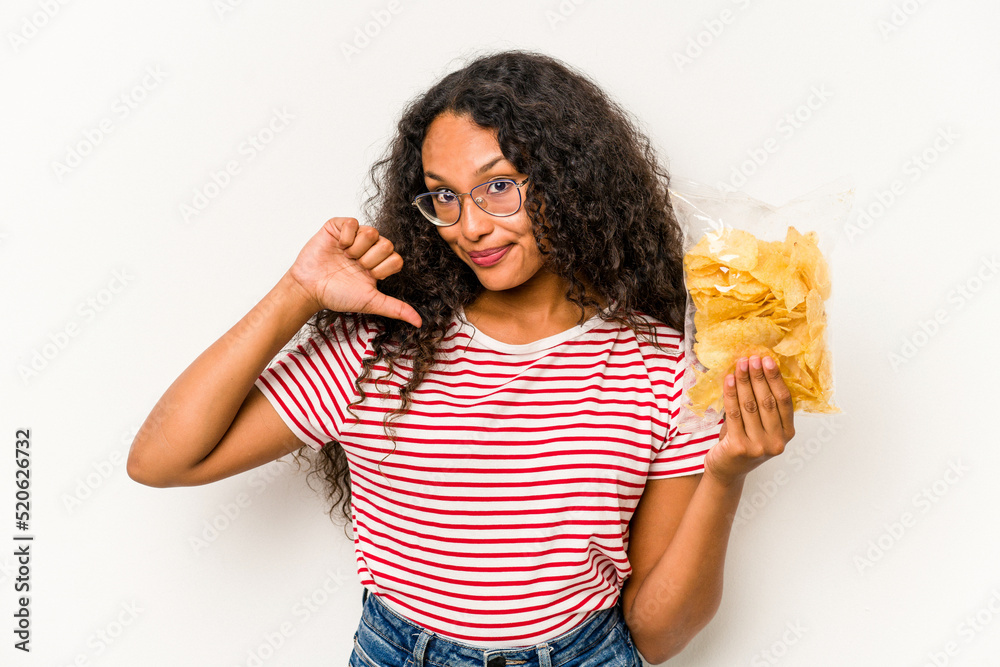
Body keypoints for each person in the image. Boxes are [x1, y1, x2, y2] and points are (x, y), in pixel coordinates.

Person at [127, 50, 795, 666]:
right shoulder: (384, 344)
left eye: (497, 186)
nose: (468, 225)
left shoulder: (656, 366)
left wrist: (727, 472)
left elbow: (654, 633)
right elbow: (160, 459)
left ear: (570, 182)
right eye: (443, 195)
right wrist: (295, 293)